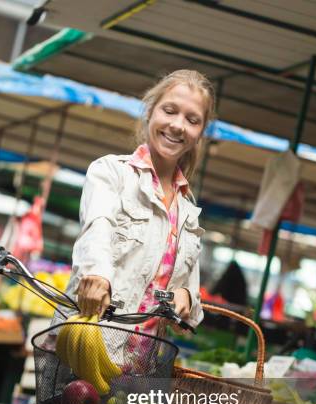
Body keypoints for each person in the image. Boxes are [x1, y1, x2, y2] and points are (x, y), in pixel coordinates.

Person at [62, 69, 215, 334]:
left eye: (192, 120)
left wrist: (185, 297)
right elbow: (98, 228)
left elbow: (191, 296)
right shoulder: (111, 172)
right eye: (169, 111)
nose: (178, 125)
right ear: (150, 112)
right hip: (90, 342)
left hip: (144, 361)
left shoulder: (188, 210)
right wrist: (97, 274)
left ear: (199, 133)